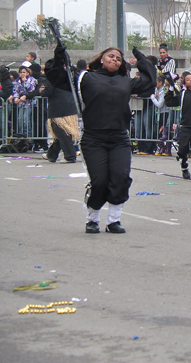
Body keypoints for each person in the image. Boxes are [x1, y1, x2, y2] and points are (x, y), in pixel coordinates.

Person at [46, 45, 156, 234]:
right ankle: (92, 219)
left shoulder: (126, 81)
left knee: (120, 178)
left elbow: (150, 80)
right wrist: (58, 55)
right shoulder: (85, 78)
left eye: (118, 58)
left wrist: (141, 59)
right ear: (101, 59)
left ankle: (114, 220)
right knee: (100, 181)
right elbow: (57, 77)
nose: (115, 60)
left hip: (120, 138)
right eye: (111, 56)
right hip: (94, 138)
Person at [39, 62, 79, 164]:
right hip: (70, 106)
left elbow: (48, 91)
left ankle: (70, 156)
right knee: (61, 132)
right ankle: (51, 155)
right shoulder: (71, 74)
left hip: (59, 109)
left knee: (61, 132)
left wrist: (42, 91)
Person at [12, 66, 37, 146]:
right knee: (20, 121)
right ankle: (21, 141)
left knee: (26, 121)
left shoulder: (31, 79)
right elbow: (15, 90)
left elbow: (31, 90)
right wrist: (15, 97)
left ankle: (30, 141)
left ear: (27, 73)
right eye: (21, 72)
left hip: (29, 103)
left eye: (24, 72)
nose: (22, 74)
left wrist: (25, 82)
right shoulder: (17, 81)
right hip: (20, 104)